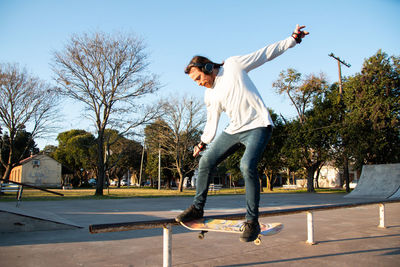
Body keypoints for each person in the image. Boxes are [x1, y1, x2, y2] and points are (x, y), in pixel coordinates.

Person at [176, 25, 309, 242]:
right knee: (206, 162)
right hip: (234, 130)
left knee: (246, 165)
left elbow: (265, 54)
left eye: (199, 78)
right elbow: (212, 123)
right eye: (196, 82)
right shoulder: (209, 95)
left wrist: (293, 39)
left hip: (258, 126)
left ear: (208, 67)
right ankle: (198, 209)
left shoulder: (233, 66)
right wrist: (202, 143)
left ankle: (252, 221)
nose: (200, 84)